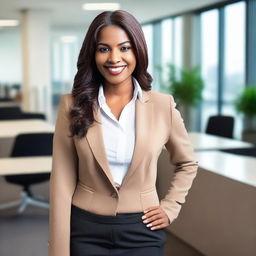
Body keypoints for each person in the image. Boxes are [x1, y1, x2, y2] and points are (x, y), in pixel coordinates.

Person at [48, 10, 198, 256]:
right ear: (93, 54)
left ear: (138, 51)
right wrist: (58, 249)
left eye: (124, 48)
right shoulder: (72, 105)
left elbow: (187, 162)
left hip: (142, 228)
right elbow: (62, 181)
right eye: (104, 49)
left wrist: (171, 207)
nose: (114, 58)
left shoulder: (163, 106)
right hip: (85, 228)